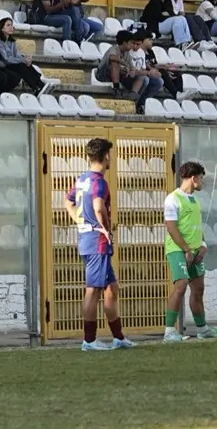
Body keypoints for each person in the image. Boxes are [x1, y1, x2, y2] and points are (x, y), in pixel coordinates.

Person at [65, 137, 134, 351]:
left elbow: (67, 201)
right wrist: (104, 226)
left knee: (111, 288)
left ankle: (118, 337)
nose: (111, 159)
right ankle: (89, 340)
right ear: (105, 156)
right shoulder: (99, 181)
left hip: (88, 239)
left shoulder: (82, 179)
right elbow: (97, 206)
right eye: (110, 155)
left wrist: (78, 221)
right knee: (93, 290)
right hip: (98, 242)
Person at [162, 161, 217, 341]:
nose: (202, 182)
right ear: (193, 178)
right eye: (201, 178)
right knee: (180, 286)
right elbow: (171, 227)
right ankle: (169, 332)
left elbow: (196, 227)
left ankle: (202, 329)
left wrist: (203, 244)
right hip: (178, 250)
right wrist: (186, 249)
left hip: (195, 250)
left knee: (198, 289)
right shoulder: (172, 198)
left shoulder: (195, 200)